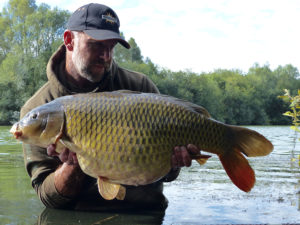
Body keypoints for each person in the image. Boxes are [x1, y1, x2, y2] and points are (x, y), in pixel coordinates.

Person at [20, 3, 201, 211]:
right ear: (69, 40)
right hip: (82, 217)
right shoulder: (39, 110)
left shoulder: (140, 88)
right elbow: (48, 198)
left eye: (111, 47)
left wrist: (174, 163)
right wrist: (72, 166)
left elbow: (169, 176)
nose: (106, 56)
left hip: (144, 214)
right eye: (97, 45)